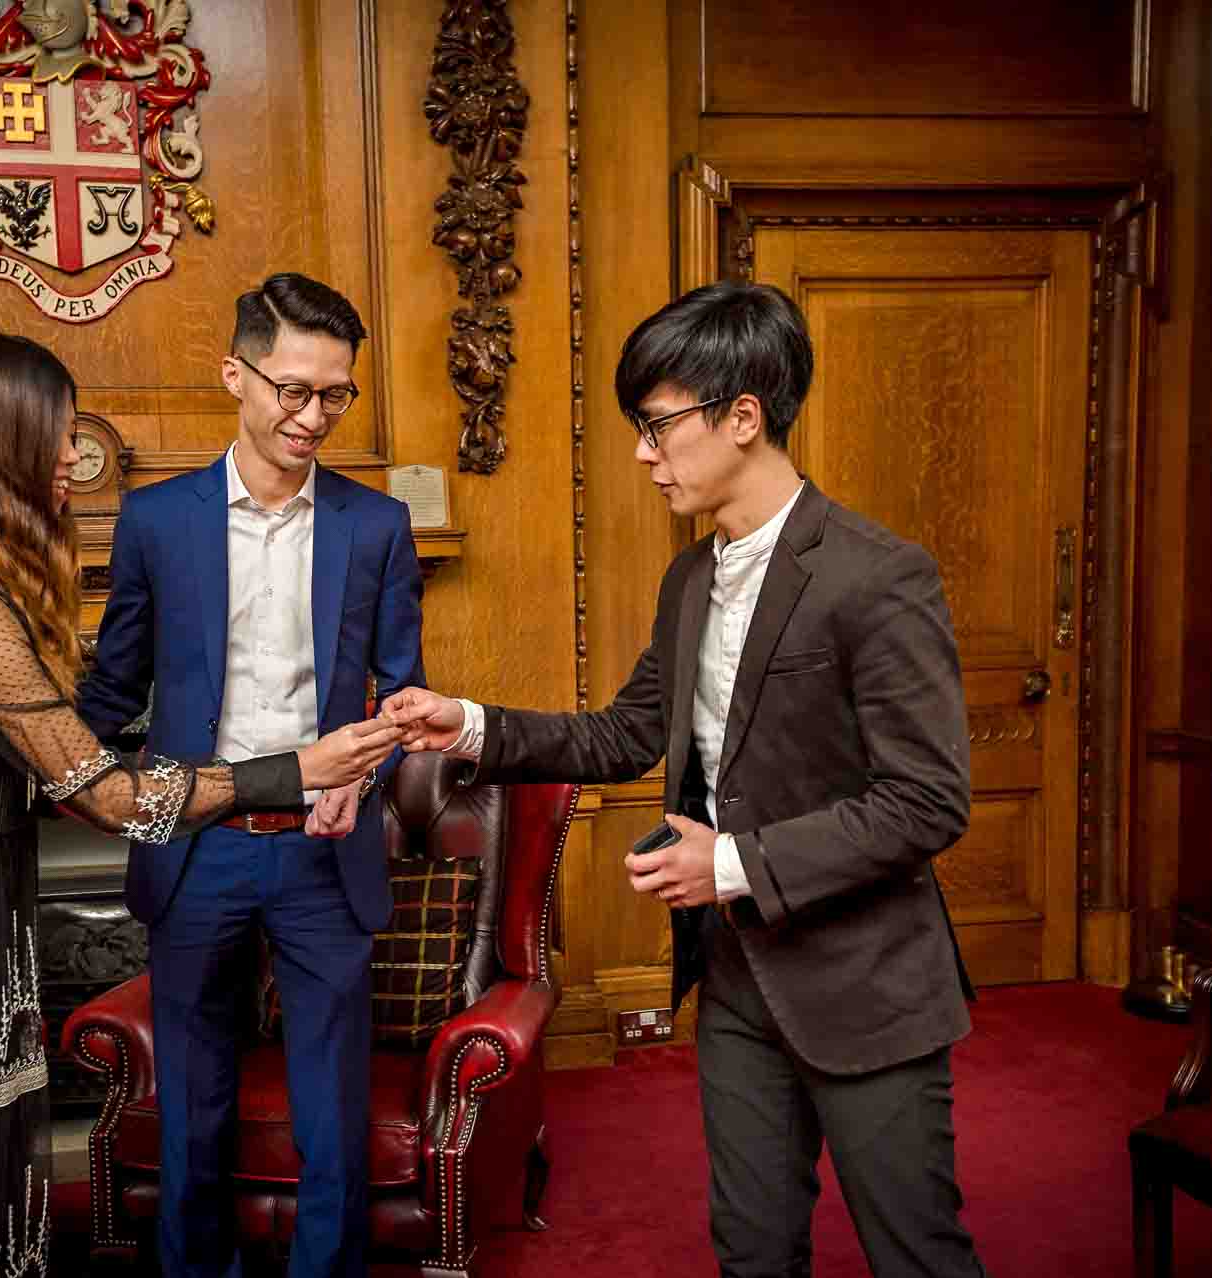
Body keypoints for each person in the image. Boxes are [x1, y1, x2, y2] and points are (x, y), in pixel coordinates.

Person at [0, 330, 401, 1278]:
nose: (74, 455)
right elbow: (108, 796)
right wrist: (295, 770)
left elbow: (56, 748)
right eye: (56, 434)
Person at [383, 282, 986, 1278]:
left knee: (916, 1254)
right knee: (750, 1249)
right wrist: (471, 726)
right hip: (738, 978)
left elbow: (927, 799)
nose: (641, 453)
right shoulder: (691, 580)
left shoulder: (879, 575)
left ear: (743, 416)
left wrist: (737, 861)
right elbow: (624, 735)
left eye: (658, 425)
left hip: (867, 981)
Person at [78, 273, 426, 1278]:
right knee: (191, 1104)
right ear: (235, 374)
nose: (311, 417)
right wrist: (42, 764)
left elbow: (403, 696)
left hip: (325, 852)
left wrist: (367, 771)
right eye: (290, 389)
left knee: (332, 1111)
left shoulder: (377, 526)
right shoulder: (155, 523)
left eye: (334, 396)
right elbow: (112, 691)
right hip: (197, 847)